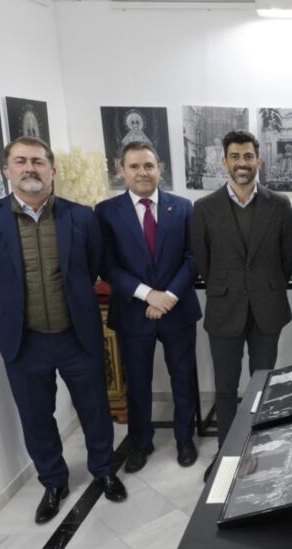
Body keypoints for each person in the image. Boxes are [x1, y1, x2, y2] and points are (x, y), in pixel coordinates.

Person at [0, 137, 127, 524]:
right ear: (6, 170)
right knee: (36, 417)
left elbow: (93, 265)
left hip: (76, 335)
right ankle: (54, 482)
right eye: (21, 161)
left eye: (38, 161)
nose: (30, 168)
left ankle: (104, 470)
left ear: (52, 170)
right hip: (24, 340)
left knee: (94, 408)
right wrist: (15, 306)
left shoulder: (81, 217)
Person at [191, 130, 292, 480]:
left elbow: (287, 259)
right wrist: (230, 287)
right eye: (235, 156)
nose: (242, 163)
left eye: (248, 156)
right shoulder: (204, 208)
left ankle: (257, 449)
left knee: (262, 385)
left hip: (268, 308)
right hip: (225, 309)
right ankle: (226, 454)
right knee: (225, 388)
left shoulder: (279, 204)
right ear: (224, 161)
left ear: (258, 161)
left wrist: (264, 286)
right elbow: (203, 261)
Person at [96, 141, 202, 473]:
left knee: (183, 377)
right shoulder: (106, 212)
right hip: (133, 311)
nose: (142, 172)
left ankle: (185, 438)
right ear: (121, 170)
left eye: (149, 165)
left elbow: (193, 257)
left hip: (177, 309)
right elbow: (107, 265)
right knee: (138, 381)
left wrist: (168, 296)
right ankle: (141, 442)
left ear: (160, 169)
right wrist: (147, 295)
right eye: (134, 166)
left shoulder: (182, 207)